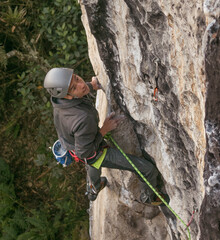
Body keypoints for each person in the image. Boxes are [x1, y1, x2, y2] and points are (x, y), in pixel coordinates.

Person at [44, 67, 164, 205]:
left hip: (73, 145)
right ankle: (148, 197)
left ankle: (93, 189)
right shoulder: (82, 118)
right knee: (147, 170)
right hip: (93, 153)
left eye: (77, 78)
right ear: (66, 95)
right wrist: (104, 130)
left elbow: (78, 90)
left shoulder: (59, 102)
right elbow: (84, 152)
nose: (81, 84)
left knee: (91, 167)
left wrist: (91, 86)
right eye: (74, 87)